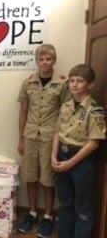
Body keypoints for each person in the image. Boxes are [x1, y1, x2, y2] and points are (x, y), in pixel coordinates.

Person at [17, 44, 71, 237]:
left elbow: (67, 112)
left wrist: (62, 141)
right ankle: (31, 213)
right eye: (41, 59)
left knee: (48, 179)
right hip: (30, 136)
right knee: (30, 176)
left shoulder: (63, 83)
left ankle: (48, 216)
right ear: (36, 61)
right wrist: (21, 139)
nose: (44, 62)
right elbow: (23, 112)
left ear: (54, 60)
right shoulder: (28, 83)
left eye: (48, 59)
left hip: (50, 138)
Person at [51, 64, 106, 238]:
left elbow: (94, 143)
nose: (74, 84)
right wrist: (54, 156)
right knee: (65, 203)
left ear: (89, 85)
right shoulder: (66, 106)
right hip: (62, 155)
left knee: (83, 208)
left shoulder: (95, 110)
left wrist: (70, 163)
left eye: (80, 81)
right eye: (72, 80)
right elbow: (58, 133)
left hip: (81, 160)